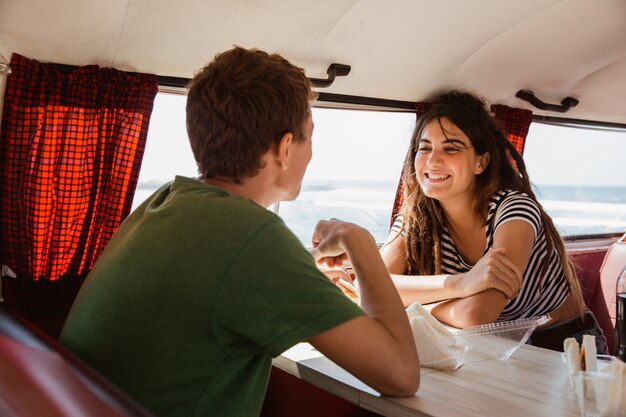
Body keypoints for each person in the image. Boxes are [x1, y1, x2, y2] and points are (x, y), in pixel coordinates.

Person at [59, 46, 419, 417]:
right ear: (284, 147)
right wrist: (359, 241)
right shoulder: (254, 236)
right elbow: (402, 374)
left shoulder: (166, 200)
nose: (311, 152)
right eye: (308, 136)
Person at [380, 90, 608, 353]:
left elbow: (477, 316)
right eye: (425, 147)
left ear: (481, 161)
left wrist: (409, 306)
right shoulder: (416, 218)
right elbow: (373, 286)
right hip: (498, 345)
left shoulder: (513, 210)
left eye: (451, 148)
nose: (433, 160)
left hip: (565, 344)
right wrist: (464, 283)